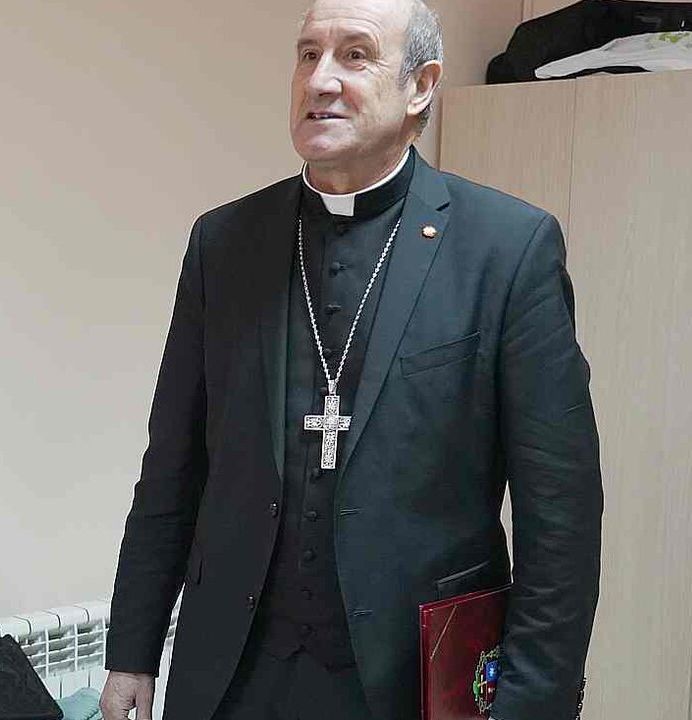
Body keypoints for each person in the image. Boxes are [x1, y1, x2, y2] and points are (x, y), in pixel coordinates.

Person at [100, 1, 602, 718]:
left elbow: (563, 516)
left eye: (355, 55)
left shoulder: (505, 251)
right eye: (308, 54)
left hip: (412, 683)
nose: (321, 80)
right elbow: (171, 470)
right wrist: (131, 651)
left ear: (421, 86)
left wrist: (533, 700)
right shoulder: (224, 244)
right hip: (234, 677)